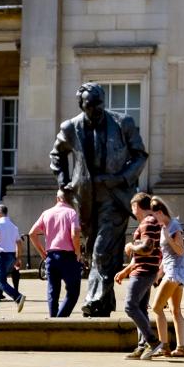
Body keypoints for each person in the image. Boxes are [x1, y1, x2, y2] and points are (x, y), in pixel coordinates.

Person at [50, 82, 148, 318]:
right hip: (85, 198)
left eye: (98, 104)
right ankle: (105, 301)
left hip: (115, 197)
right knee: (98, 249)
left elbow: (139, 155)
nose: (95, 109)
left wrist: (121, 178)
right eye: (89, 105)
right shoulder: (71, 127)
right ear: (81, 105)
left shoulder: (122, 123)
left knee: (101, 250)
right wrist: (64, 184)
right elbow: (57, 155)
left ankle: (93, 299)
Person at [117, 192, 162, 358]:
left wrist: (130, 246)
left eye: (132, 208)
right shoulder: (151, 222)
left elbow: (147, 248)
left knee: (130, 306)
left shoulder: (148, 222)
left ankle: (153, 342)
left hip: (143, 272)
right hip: (144, 270)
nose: (132, 212)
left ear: (136, 206)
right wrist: (126, 270)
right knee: (141, 309)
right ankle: (142, 346)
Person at [28, 188, 84, 318]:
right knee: (73, 292)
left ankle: (53, 320)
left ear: (57, 198)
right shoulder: (71, 213)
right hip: (68, 256)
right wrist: (77, 252)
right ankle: (61, 319)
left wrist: (42, 252)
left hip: (51, 255)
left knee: (53, 291)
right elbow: (75, 234)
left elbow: (32, 233)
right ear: (70, 200)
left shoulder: (46, 213)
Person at [147, 197, 184, 358]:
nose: (152, 220)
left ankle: (163, 346)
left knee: (157, 307)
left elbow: (180, 251)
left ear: (159, 212)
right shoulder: (165, 226)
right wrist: (159, 273)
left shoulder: (173, 226)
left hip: (175, 272)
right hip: (173, 271)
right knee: (175, 310)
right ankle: (181, 347)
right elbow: (167, 256)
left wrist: (168, 237)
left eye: (153, 216)